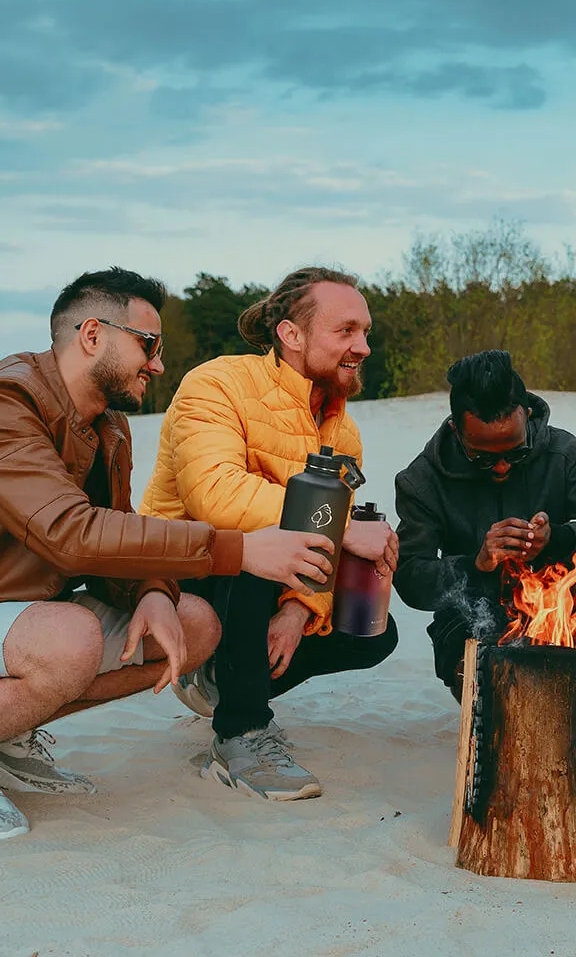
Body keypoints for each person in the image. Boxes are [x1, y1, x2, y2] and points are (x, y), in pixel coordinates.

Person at [0, 267, 338, 840]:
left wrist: (155, 590)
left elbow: (118, 534)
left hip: (15, 616)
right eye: (149, 344)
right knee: (70, 638)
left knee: (193, 626)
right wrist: (237, 551)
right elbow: (72, 532)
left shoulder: (109, 425)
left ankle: (5, 734)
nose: (159, 364)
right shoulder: (0, 402)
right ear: (93, 335)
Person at [140, 266, 398, 802]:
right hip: (183, 570)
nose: (363, 347)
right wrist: (346, 528)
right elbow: (217, 496)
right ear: (292, 334)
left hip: (265, 573)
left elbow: (323, 536)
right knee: (261, 547)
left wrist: (301, 609)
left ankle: (220, 678)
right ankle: (240, 735)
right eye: (346, 331)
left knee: (370, 628)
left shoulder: (342, 427)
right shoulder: (216, 384)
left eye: (366, 331)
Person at [393, 349, 576, 701]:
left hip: (564, 605)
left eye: (516, 453)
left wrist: (558, 539)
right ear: (455, 430)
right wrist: (476, 564)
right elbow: (411, 579)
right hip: (473, 615)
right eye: (484, 458)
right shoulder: (422, 480)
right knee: (496, 705)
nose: (503, 467)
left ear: (528, 415)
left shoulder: (565, 454)